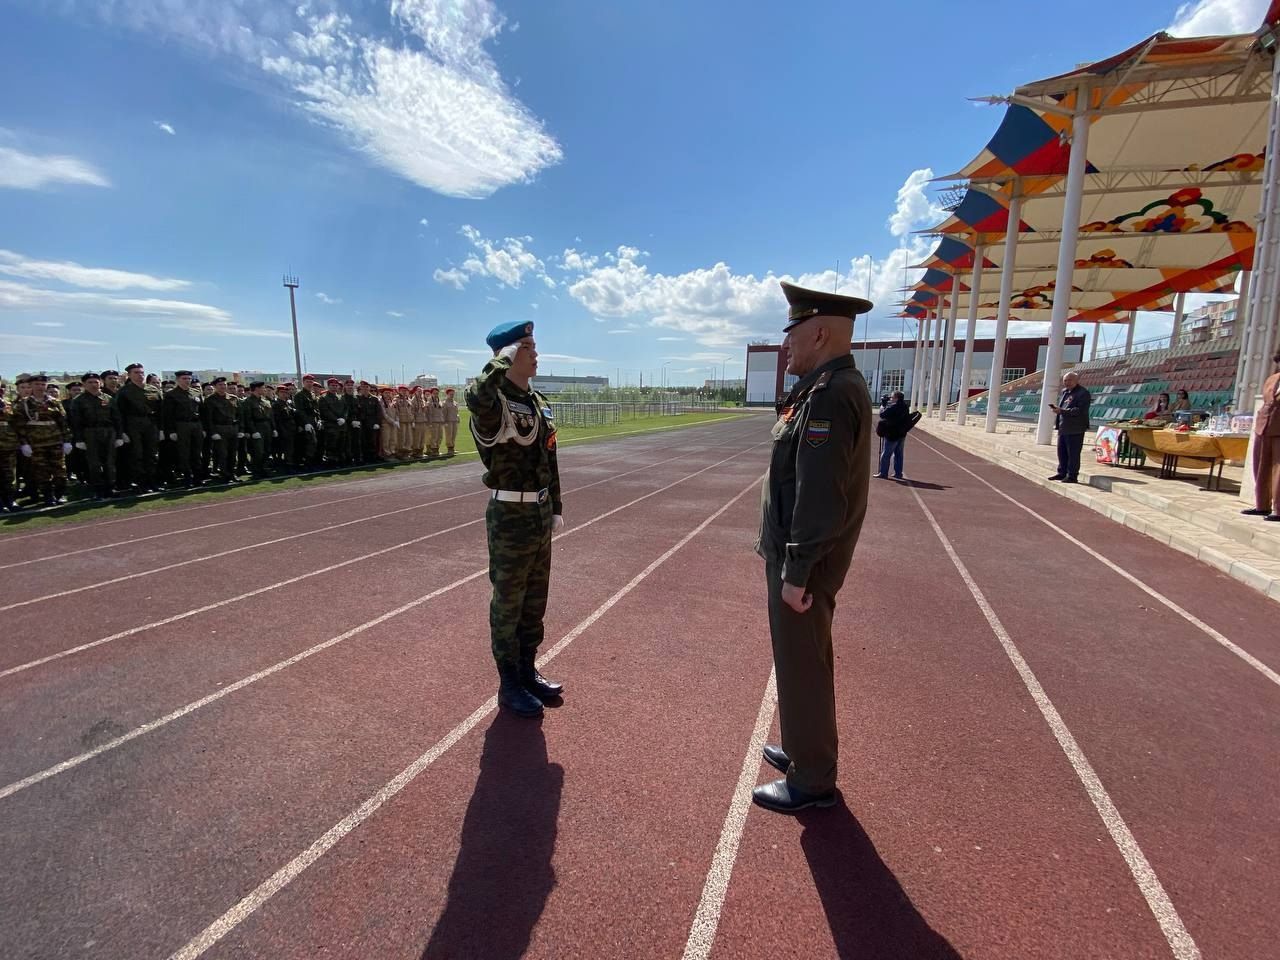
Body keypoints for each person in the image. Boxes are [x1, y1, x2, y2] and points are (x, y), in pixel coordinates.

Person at [753, 280, 872, 814]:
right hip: (801, 555)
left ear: (820, 333)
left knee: (803, 664)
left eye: (792, 335)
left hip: (805, 561)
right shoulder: (823, 388)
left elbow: (820, 495)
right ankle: (805, 751)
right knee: (801, 660)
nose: (786, 347)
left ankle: (813, 779)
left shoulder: (829, 395)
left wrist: (797, 570)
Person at [466, 320, 564, 718]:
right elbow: (475, 396)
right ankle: (508, 682)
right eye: (527, 346)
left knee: (534, 601)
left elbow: (550, 456)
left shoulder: (537, 401)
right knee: (508, 601)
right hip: (509, 515)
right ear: (507, 355)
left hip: (538, 514)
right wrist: (497, 364)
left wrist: (555, 506)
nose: (536, 352)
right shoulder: (493, 400)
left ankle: (526, 670)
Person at [12, 373, 73, 506]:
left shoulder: (54, 402)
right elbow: (20, 426)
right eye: (36, 384)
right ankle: (48, 496)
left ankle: (60, 494)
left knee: (60, 470)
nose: (40, 387)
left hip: (56, 442)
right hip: (36, 444)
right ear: (31, 386)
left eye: (42, 384)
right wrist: (24, 444)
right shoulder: (24, 404)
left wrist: (67, 440)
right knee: (41, 472)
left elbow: (63, 423)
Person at [68, 372, 122, 500]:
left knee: (110, 462)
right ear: (84, 385)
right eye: (90, 382)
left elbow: (117, 418)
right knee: (94, 464)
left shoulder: (108, 398)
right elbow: (75, 422)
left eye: (96, 382)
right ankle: (97, 489)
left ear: (101, 383)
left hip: (108, 432)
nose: (93, 385)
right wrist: (79, 439)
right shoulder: (78, 401)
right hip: (90, 433)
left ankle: (111, 487)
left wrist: (119, 435)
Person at [1242, 349, 1280, 522]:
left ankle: (1278, 509)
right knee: (1261, 466)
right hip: (1263, 427)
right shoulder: (1272, 379)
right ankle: (1261, 505)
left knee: (1278, 469)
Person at [114, 362, 163, 491]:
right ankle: (142, 483)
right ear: (129, 375)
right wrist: (122, 432)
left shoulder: (153, 389)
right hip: (133, 425)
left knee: (152, 455)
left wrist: (161, 428)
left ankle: (153, 482)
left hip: (150, 424)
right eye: (136, 373)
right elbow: (119, 413)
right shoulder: (124, 392)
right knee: (137, 455)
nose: (140, 375)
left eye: (142, 372)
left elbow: (160, 410)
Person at [1048, 370, 1091, 484]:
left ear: (1076, 380)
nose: (1067, 383)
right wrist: (1059, 410)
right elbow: (1064, 407)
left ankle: (1072, 475)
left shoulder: (1083, 393)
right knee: (1061, 451)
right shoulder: (1065, 392)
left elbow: (1080, 410)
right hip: (1063, 427)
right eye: (1065, 380)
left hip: (1075, 428)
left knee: (1073, 453)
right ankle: (1062, 472)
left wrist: (1062, 411)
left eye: (1069, 380)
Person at [163, 370, 204, 488]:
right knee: (184, 453)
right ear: (178, 380)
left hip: (196, 425)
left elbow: (202, 412)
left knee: (196, 453)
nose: (187, 381)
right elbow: (167, 415)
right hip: (181, 425)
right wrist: (171, 431)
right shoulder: (171, 395)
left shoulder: (196, 392)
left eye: (189, 378)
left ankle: (198, 478)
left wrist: (203, 428)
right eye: (184, 378)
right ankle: (187, 478)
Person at [874, 391, 920, 480]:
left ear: (896, 398)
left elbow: (882, 415)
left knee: (886, 454)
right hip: (902, 433)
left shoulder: (894, 407)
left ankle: (883, 473)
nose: (891, 399)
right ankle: (898, 473)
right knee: (899, 454)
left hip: (892, 434)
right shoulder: (905, 406)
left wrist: (883, 405)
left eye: (892, 397)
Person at [443, 387, 460, 455]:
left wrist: (458, 417)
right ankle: (449, 449)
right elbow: (443, 413)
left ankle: (452, 448)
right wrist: (444, 422)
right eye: (450, 394)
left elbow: (456, 412)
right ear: (447, 394)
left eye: (453, 394)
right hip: (448, 421)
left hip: (454, 421)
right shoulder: (445, 403)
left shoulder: (455, 402)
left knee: (454, 435)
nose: (452, 395)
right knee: (449, 435)